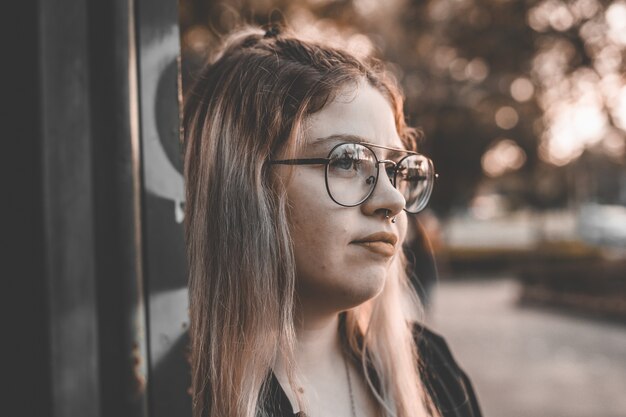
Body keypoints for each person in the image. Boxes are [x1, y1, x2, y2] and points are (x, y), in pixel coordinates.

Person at [182, 24, 481, 417]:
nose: (392, 200)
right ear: (241, 183)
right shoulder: (175, 394)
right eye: (346, 161)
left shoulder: (433, 373)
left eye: (395, 169)